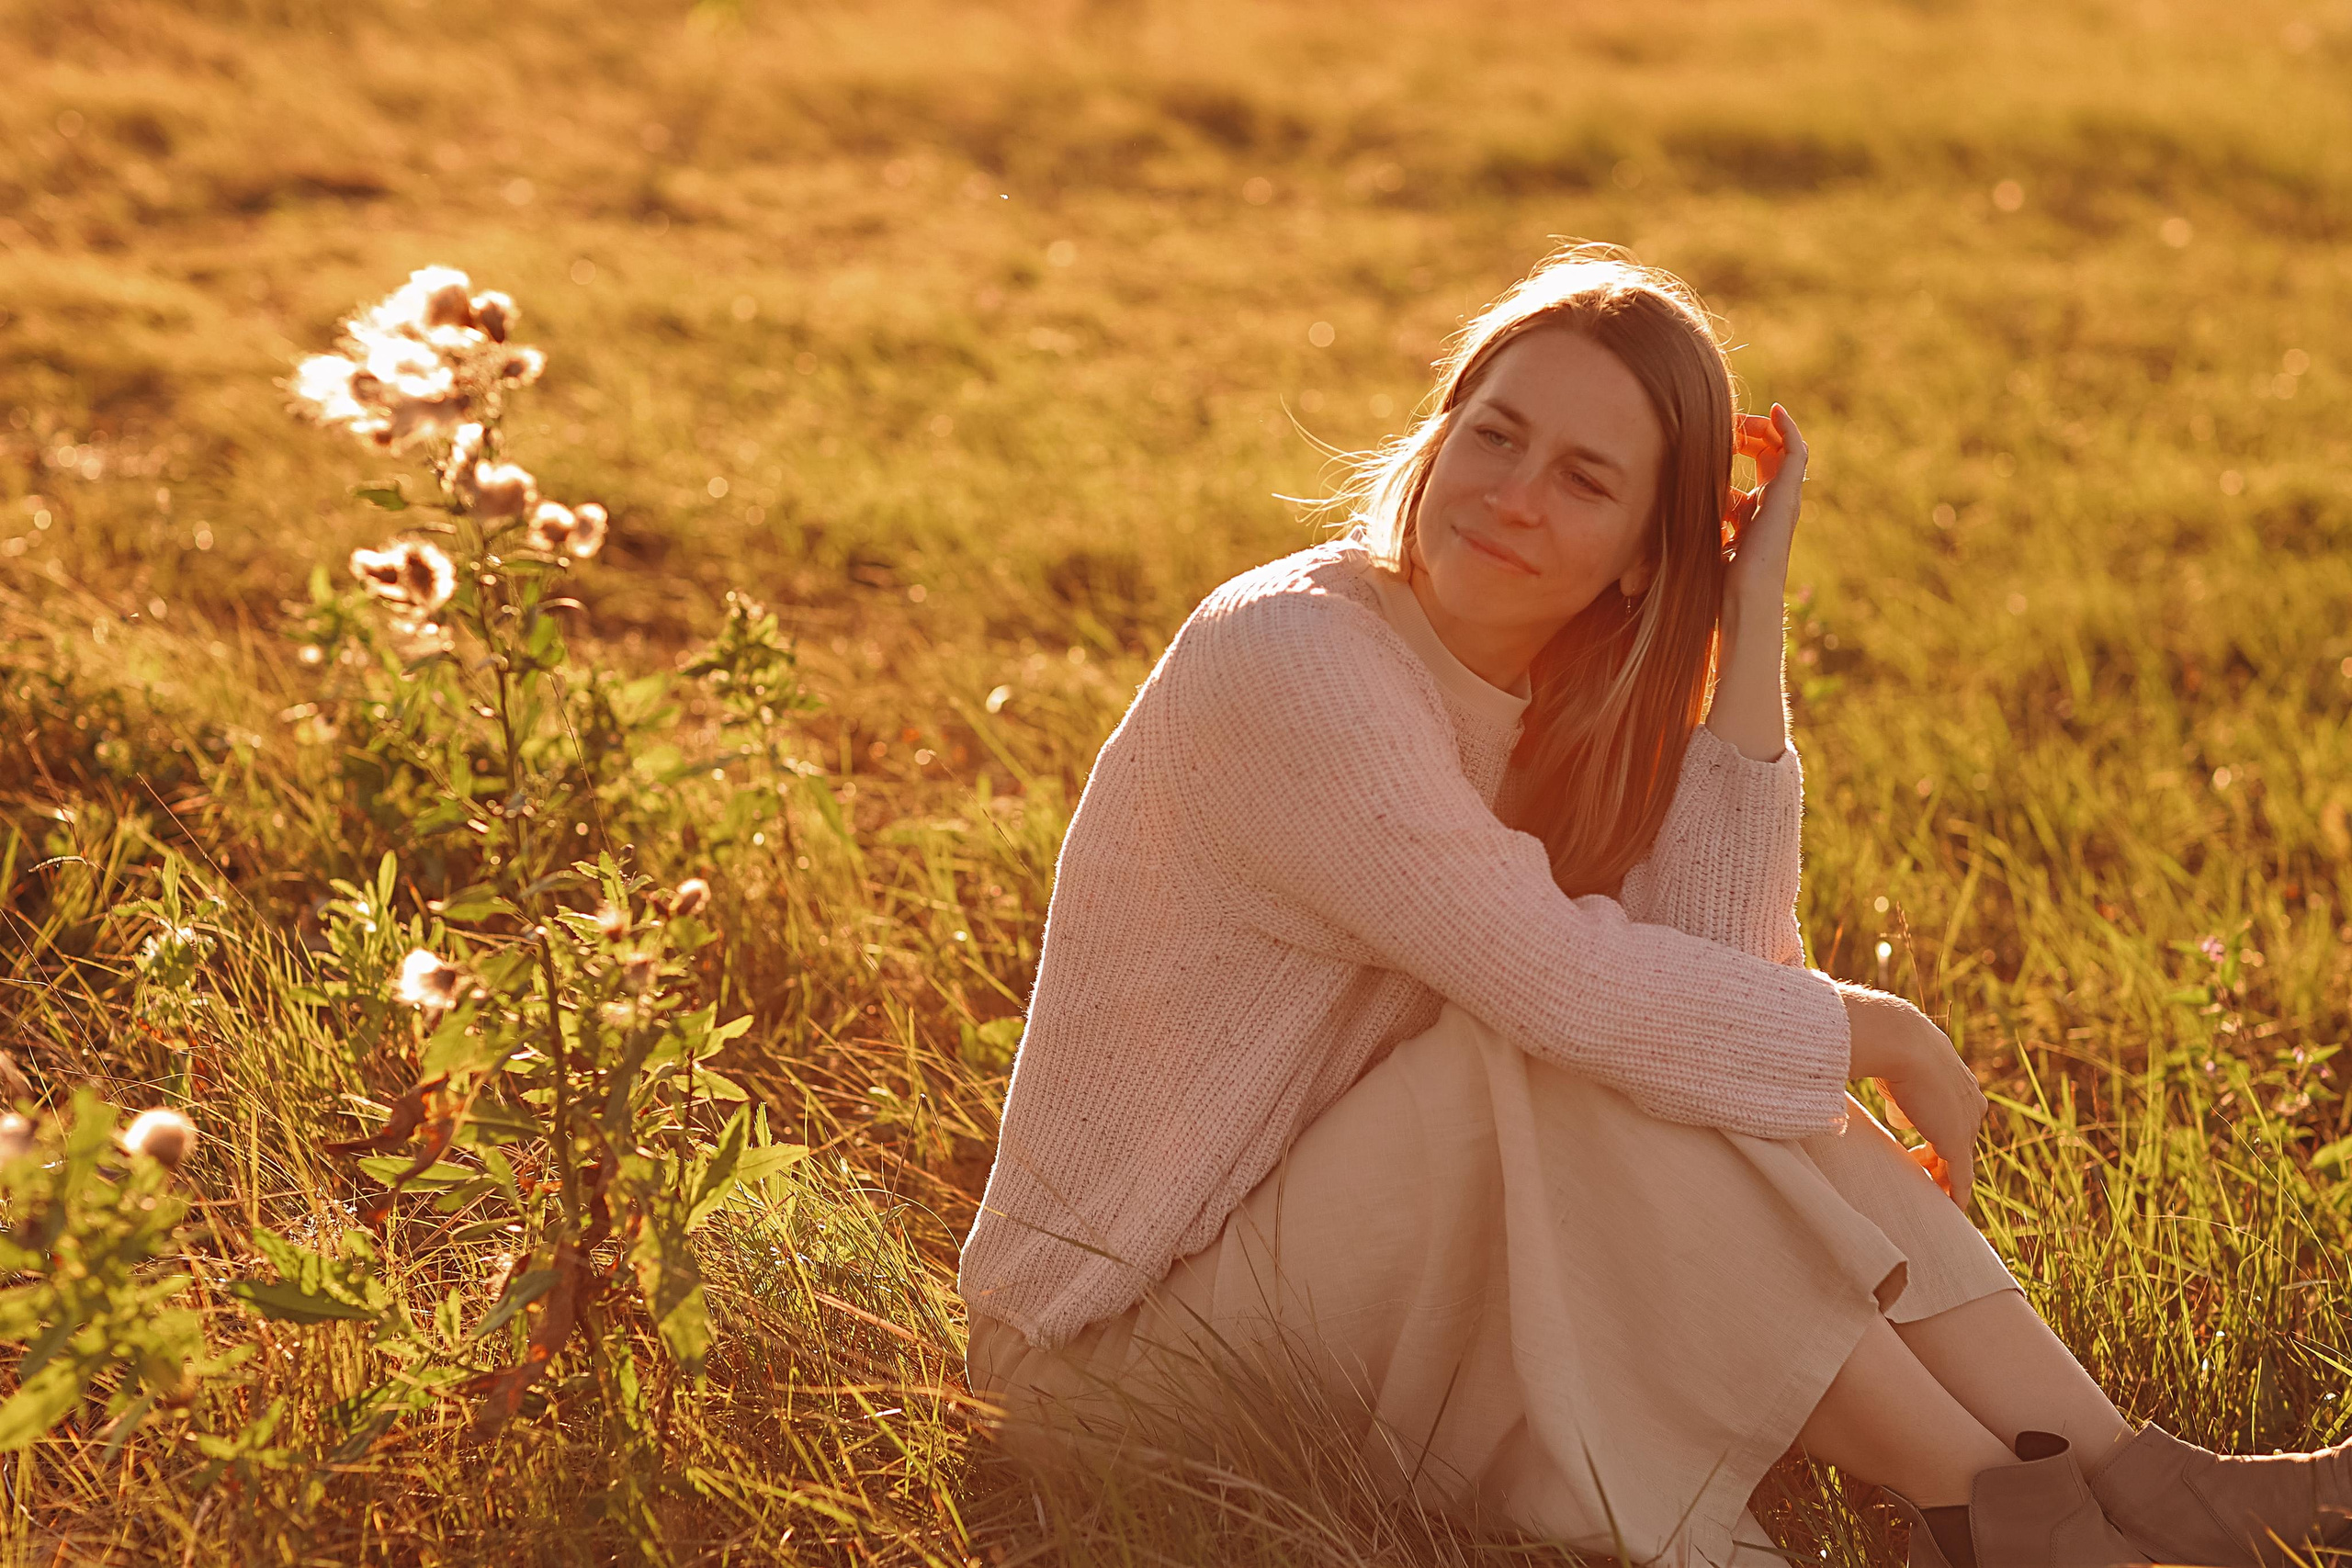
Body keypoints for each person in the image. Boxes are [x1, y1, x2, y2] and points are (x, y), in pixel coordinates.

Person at [956, 245, 2352, 1568]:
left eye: (1583, 478)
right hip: (1117, 1365)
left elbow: (1705, 995)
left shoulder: (1549, 706)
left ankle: (2120, 1476)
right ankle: (1999, 1514)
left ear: (1643, 551)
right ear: (1438, 439)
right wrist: (1894, 1036)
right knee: (1566, 1044)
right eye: (1494, 434)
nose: (1513, 493)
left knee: (1657, 1044)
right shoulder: (1295, 658)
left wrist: (1748, 618)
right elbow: (1575, 994)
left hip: (1338, 1272)